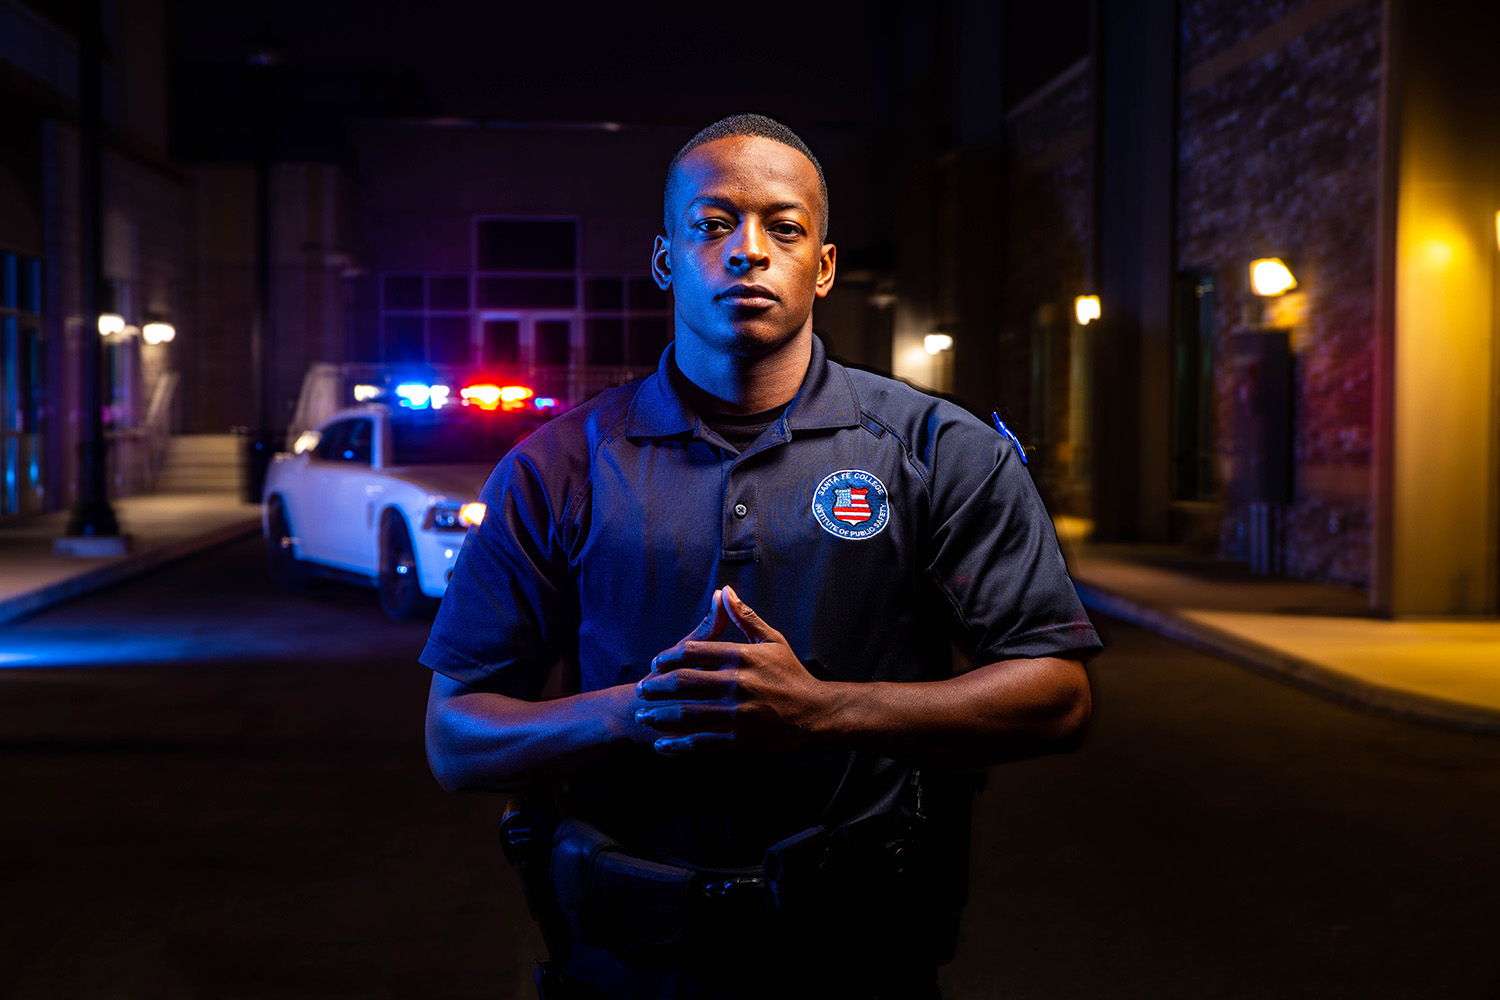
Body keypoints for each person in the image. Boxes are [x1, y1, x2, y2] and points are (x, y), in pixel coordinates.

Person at [422, 113, 1102, 999]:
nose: (748, 250)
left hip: (862, 959)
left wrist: (822, 711)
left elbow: (1057, 696)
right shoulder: (558, 467)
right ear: (666, 259)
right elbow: (455, 736)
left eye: (784, 227)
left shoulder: (943, 451)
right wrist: (643, 712)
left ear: (822, 266)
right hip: (629, 965)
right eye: (712, 225)